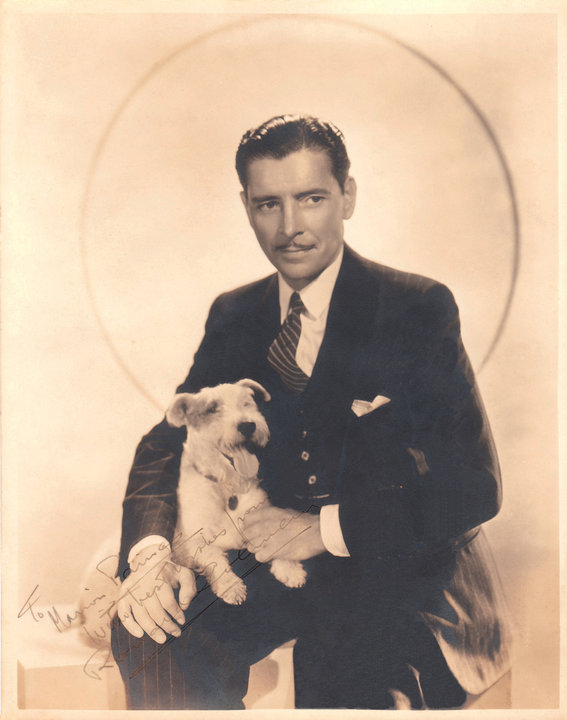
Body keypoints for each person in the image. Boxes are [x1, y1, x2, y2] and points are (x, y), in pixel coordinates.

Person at [110, 115, 511, 710]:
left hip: (396, 567)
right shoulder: (235, 314)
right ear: (246, 208)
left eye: (312, 198)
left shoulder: (417, 306)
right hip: (272, 563)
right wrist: (149, 555)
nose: (290, 227)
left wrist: (322, 530)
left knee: (349, 685)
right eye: (268, 203)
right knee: (150, 632)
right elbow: (167, 441)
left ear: (347, 196)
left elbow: (475, 486)